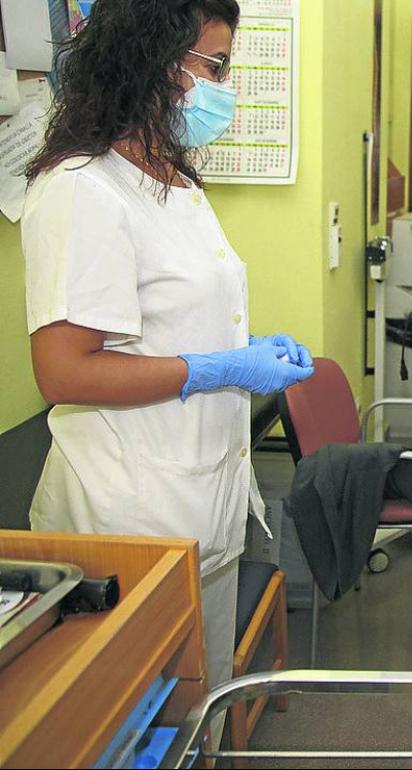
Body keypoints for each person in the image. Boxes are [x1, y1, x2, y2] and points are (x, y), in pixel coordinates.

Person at [22, 0, 313, 730]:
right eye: (213, 66)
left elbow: (179, 318)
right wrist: (220, 368)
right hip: (130, 515)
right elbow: (64, 372)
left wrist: (247, 350)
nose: (223, 86)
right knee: (136, 730)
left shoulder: (173, 182)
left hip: (200, 503)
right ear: (152, 61)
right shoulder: (82, 189)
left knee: (196, 717)